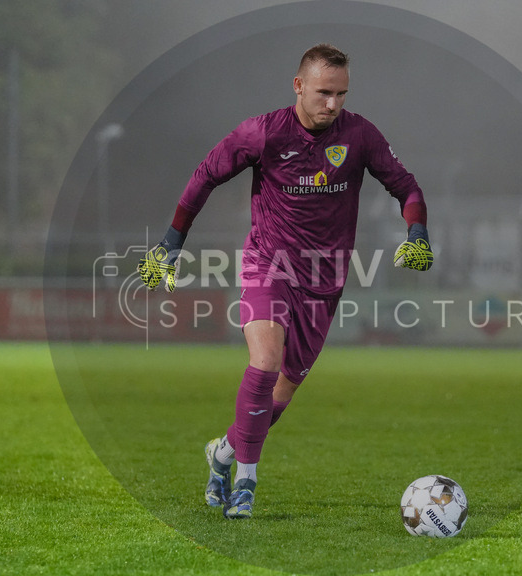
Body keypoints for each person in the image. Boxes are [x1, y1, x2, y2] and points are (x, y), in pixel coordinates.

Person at [138, 44, 434, 519]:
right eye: (323, 92)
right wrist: (171, 243)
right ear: (299, 86)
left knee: (281, 394)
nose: (332, 103)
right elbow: (205, 176)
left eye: (340, 93)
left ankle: (222, 455)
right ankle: (247, 484)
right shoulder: (263, 132)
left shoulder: (359, 135)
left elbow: (407, 187)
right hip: (268, 265)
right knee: (266, 361)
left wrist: (416, 231)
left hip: (325, 280)